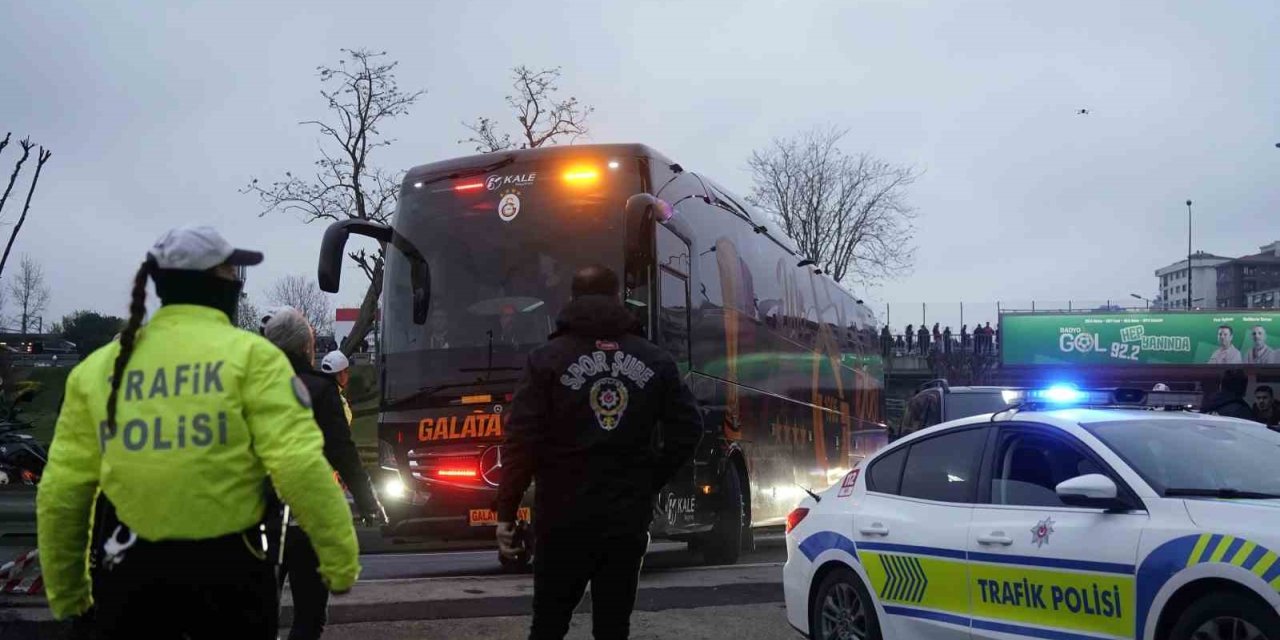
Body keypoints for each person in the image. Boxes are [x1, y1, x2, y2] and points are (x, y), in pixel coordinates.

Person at [36, 226, 359, 638]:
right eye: (232, 272)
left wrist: (68, 592)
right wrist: (339, 557)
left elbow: (63, 492)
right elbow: (300, 467)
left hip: (128, 577)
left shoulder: (97, 370)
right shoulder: (256, 361)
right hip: (232, 581)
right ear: (221, 282)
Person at [495, 265, 702, 640]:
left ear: (572, 298)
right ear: (617, 297)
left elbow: (521, 441)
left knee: (548, 625)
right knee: (613, 627)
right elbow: (689, 428)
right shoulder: (654, 359)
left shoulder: (546, 359)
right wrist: (649, 479)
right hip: (625, 518)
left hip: (561, 518)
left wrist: (506, 512)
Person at [264, 309, 384, 640]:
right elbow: (343, 452)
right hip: (307, 522)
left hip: (259, 520)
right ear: (307, 348)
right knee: (309, 615)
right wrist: (368, 502)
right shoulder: (319, 390)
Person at [321, 349, 354, 427]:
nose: (348, 375)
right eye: (346, 371)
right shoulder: (338, 401)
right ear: (341, 375)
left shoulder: (316, 392)